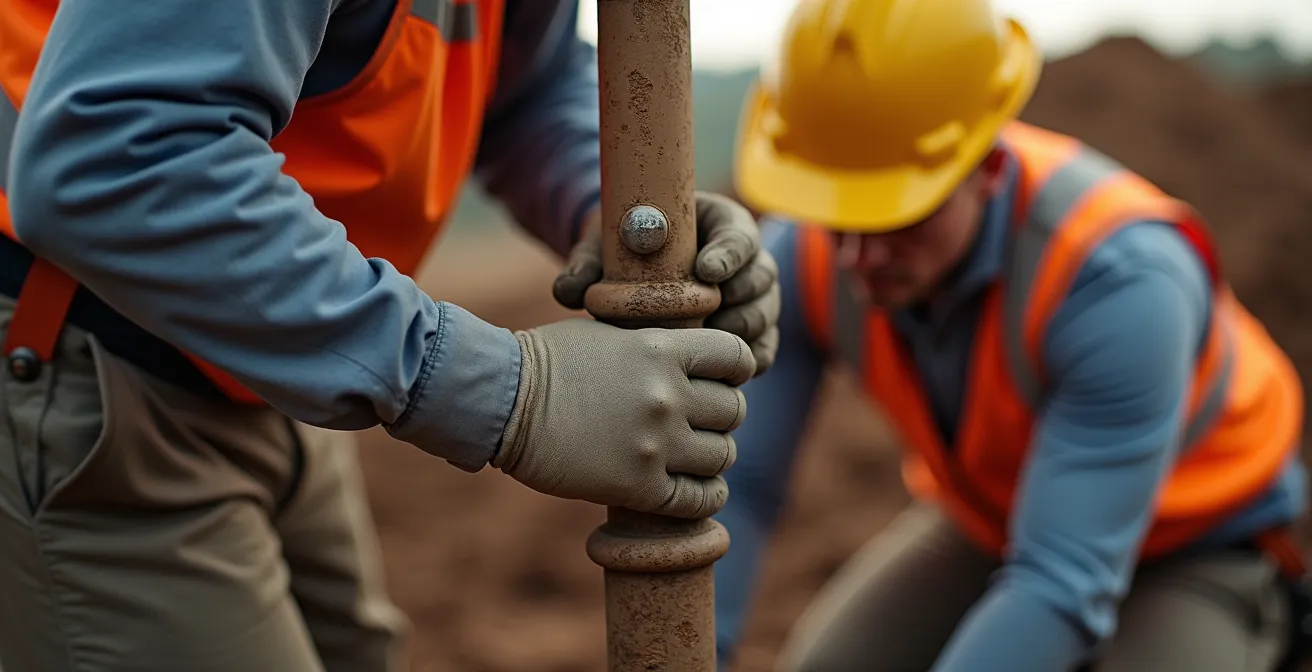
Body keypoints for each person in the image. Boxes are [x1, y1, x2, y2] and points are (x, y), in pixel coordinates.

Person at [0, 1, 780, 670]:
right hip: (78, 347)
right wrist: (513, 392)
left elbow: (527, 90)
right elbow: (114, 158)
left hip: (263, 350)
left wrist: (633, 219)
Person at [711, 0, 1309, 670]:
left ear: (988, 169)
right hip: (991, 521)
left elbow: (1061, 579)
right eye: (835, 211)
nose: (857, 256)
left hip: (1193, 540)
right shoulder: (808, 251)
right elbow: (747, 483)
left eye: (896, 214)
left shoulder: (1118, 281)